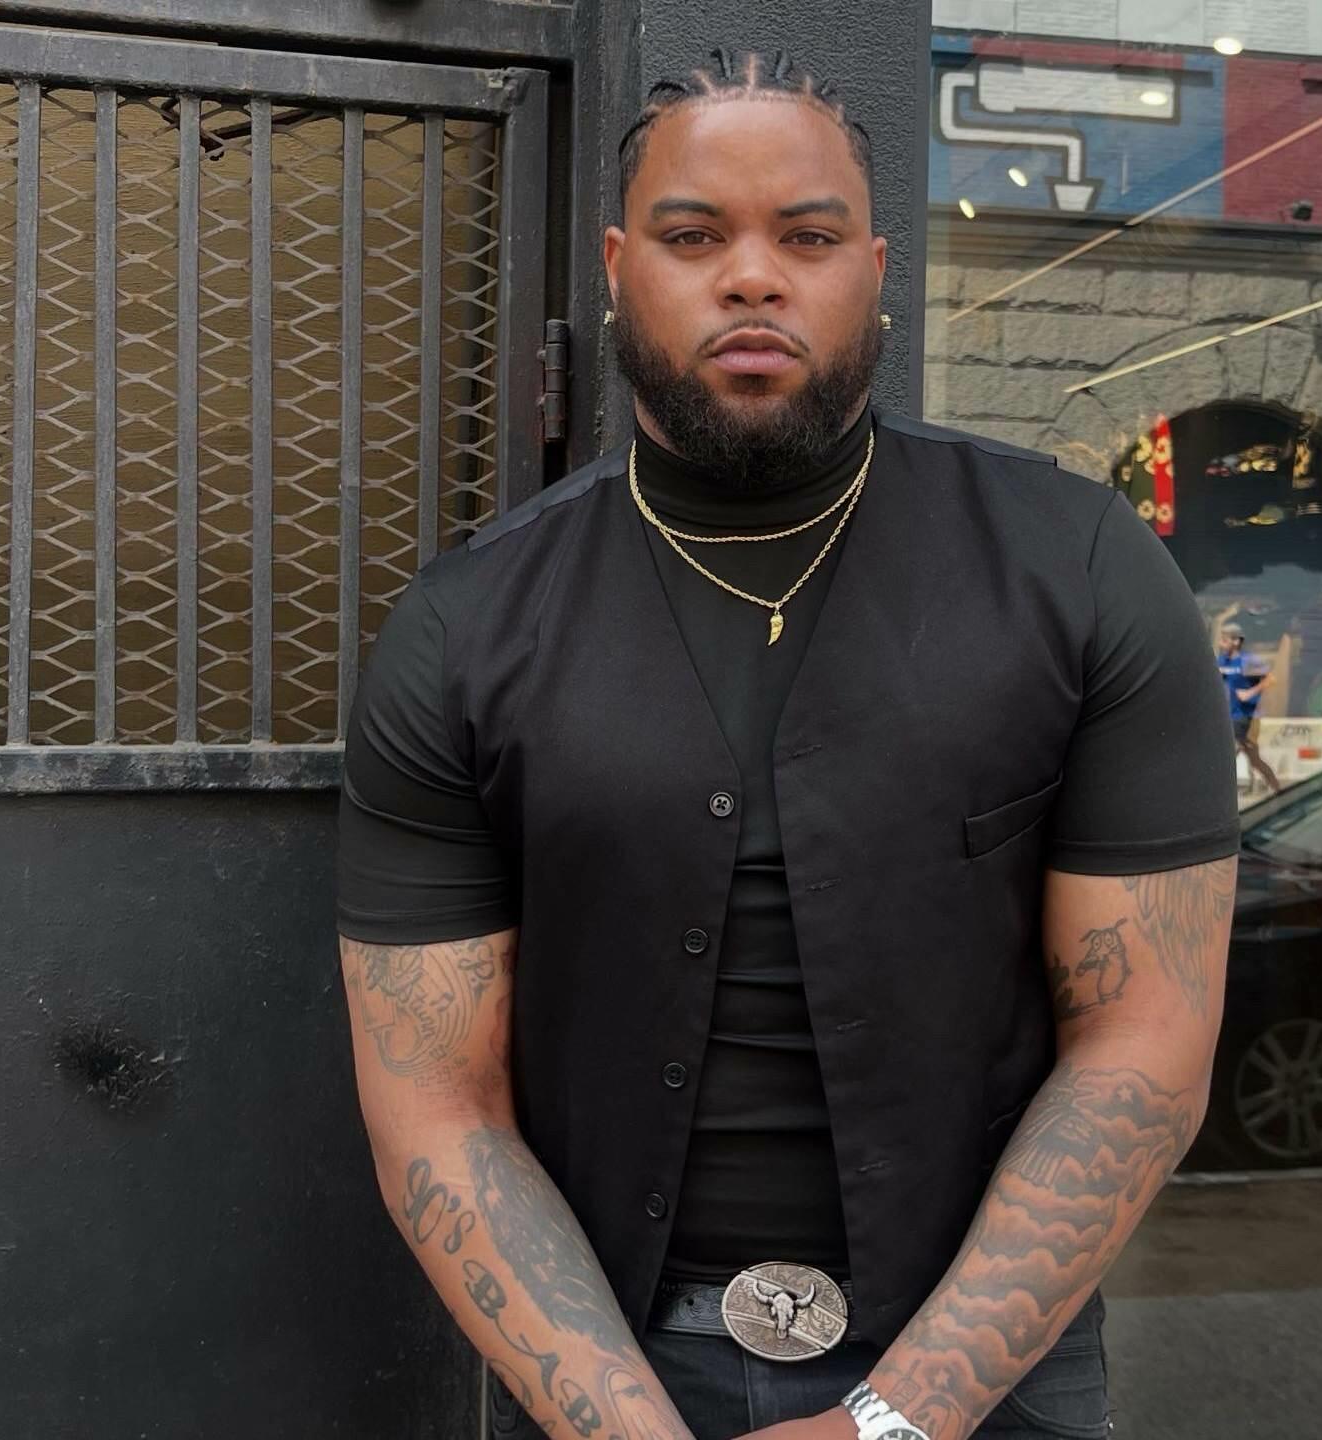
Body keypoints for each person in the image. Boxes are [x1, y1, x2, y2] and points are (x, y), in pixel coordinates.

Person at [336, 48, 1240, 1440]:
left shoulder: (1080, 570)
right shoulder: (466, 628)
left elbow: (1146, 1040)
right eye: (696, 237)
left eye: (807, 238)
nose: (753, 278)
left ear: (877, 271)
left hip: (987, 1364)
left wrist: (897, 1418)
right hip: (605, 1368)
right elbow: (436, 1103)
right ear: (619, 267)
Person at [1217, 622, 1281, 794]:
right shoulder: (1222, 660)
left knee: (1228, 754)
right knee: (1254, 760)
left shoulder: (1248, 660)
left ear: (1236, 641)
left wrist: (1250, 692)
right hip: (1229, 715)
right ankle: (1278, 789)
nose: (1221, 644)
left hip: (1245, 716)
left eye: (1224, 640)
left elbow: (1271, 679)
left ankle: (1218, 794)